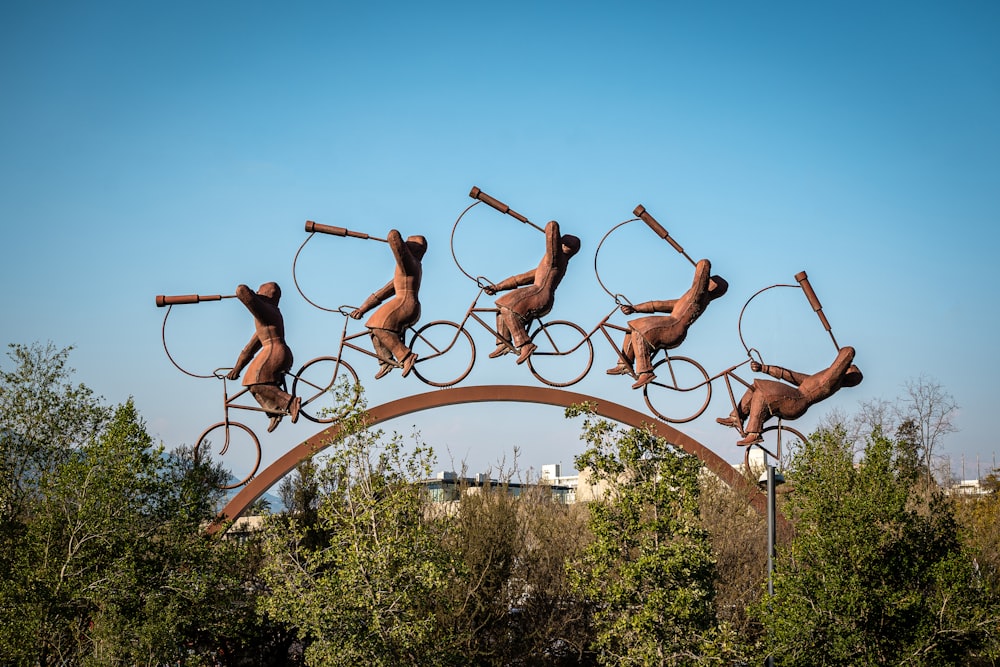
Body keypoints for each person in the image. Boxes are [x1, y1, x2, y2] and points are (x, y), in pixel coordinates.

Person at [606, 258, 728, 389]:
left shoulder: (699, 297)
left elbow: (701, 274)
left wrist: (703, 264)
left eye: (710, 281)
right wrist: (635, 308)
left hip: (672, 327)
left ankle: (645, 371)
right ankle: (625, 363)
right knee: (632, 328)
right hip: (669, 325)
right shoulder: (688, 299)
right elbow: (661, 305)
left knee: (641, 329)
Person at [716, 346, 863, 445]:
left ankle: (754, 433)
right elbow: (792, 377)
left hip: (797, 401)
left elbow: (848, 351)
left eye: (848, 369)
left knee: (762, 392)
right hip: (795, 396)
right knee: (756, 387)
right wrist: (765, 368)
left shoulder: (830, 383)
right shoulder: (818, 379)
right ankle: (737, 417)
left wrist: (846, 355)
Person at [484, 220, 581, 365]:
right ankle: (503, 342)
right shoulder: (548, 265)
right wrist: (497, 287)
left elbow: (553, 226)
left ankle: (524, 344)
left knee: (508, 307)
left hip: (538, 294)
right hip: (538, 294)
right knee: (501, 309)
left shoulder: (556, 259)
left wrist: (550, 232)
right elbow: (521, 279)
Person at [350, 229, 427, 379]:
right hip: (405, 304)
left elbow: (393, 236)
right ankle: (386, 360)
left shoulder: (410, 263)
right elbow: (384, 292)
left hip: (404, 304)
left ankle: (405, 356)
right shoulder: (405, 271)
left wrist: (394, 241)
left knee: (377, 325)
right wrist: (363, 308)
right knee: (373, 329)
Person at [227, 282, 300, 433]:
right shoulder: (266, 320)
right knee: (251, 384)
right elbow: (249, 349)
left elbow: (242, 291)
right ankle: (274, 410)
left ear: (266, 295)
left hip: (274, 353)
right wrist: (237, 368)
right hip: (276, 351)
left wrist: (252, 295)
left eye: (260, 291)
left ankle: (290, 401)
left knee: (254, 380)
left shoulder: (268, 311)